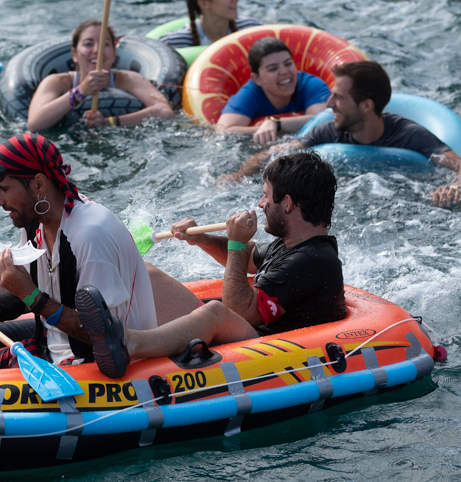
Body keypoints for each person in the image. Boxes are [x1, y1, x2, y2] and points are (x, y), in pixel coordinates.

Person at [77, 152, 346, 378]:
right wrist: (202, 239)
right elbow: (249, 257)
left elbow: (237, 311)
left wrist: (236, 242)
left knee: (216, 312)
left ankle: (128, 343)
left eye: (266, 196)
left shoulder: (311, 260)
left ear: (287, 203)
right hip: (253, 337)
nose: (261, 203)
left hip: (269, 353)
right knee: (147, 274)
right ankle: (105, 336)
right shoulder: (292, 244)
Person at [0, 133, 158, 368]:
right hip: (50, 350)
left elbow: (105, 337)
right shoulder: (35, 220)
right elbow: (34, 293)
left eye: (4, 189)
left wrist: (31, 294)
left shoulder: (91, 236)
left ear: (39, 184)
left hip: (99, 365)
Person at [223, 61, 461, 207]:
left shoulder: (409, 135)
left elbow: (460, 165)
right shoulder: (328, 131)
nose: (329, 104)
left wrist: (453, 188)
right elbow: (274, 154)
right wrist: (237, 177)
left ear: (366, 105)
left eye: (338, 97)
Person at [27, 20, 174, 132]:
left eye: (105, 44)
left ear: (114, 54)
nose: (97, 50)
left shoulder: (129, 79)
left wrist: (109, 122)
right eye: (88, 44)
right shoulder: (57, 82)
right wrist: (81, 91)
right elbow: (34, 123)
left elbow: (164, 112)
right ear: (74, 54)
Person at [216, 37, 331, 144]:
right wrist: (265, 130)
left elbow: (324, 120)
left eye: (288, 64)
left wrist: (276, 123)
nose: (284, 72)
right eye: (273, 69)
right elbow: (223, 131)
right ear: (257, 79)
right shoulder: (250, 94)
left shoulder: (311, 85)